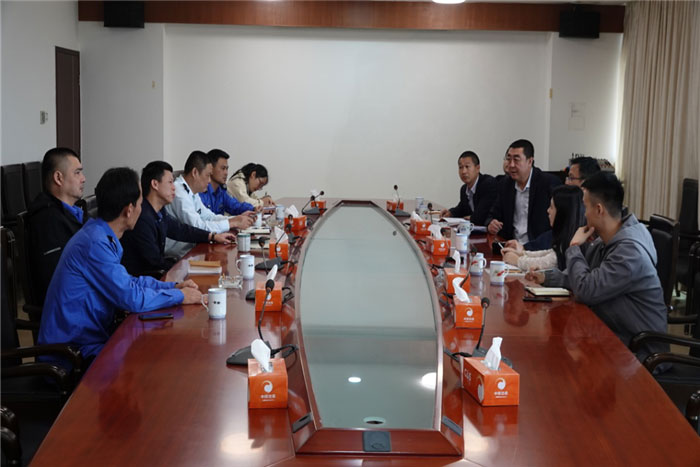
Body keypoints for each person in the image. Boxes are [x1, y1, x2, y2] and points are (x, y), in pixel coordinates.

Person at [38, 167, 202, 365]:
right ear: (129, 210)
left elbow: (128, 282)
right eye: (140, 203)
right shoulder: (95, 243)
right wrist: (180, 296)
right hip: (73, 353)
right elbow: (131, 297)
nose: (142, 209)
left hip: (92, 340)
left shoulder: (102, 234)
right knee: (156, 362)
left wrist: (173, 287)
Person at [525, 172, 668, 363]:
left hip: (639, 354)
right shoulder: (608, 239)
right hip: (613, 338)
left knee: (560, 361)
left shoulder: (629, 253)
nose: (584, 214)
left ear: (599, 209)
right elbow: (586, 278)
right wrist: (547, 277)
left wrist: (574, 247)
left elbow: (586, 290)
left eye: (585, 207)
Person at [121, 161, 236, 276]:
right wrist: (184, 268)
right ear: (155, 184)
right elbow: (154, 261)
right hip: (144, 279)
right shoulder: (142, 217)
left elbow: (180, 230)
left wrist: (212, 236)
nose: (174, 187)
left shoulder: (159, 211)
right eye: (170, 182)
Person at [26, 147, 88, 303]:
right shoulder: (47, 220)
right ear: (58, 178)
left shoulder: (72, 212)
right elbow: (58, 280)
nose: (83, 179)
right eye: (77, 173)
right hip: (67, 306)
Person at [166, 151, 254, 258]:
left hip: (193, 252)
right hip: (177, 258)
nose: (209, 181)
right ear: (195, 172)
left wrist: (236, 219)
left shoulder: (191, 192)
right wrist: (231, 223)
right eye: (207, 175)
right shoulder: (179, 192)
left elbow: (208, 216)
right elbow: (198, 227)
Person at [486, 139, 561, 243]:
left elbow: (559, 226)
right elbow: (492, 214)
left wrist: (527, 248)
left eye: (516, 160)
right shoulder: (505, 184)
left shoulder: (548, 183)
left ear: (530, 161)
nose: (511, 165)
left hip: (538, 247)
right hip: (511, 245)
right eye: (509, 159)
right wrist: (491, 223)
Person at [502, 185, 583, 271]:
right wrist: (522, 254)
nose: (548, 210)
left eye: (551, 207)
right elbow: (549, 253)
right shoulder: (565, 236)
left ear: (562, 213)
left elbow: (550, 261)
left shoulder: (574, 240)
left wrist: (517, 260)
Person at [439, 151, 497, 226]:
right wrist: (450, 213)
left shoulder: (488, 184)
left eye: (467, 167)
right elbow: (462, 208)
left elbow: (482, 215)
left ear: (477, 168)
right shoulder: (464, 189)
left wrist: (471, 218)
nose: (463, 171)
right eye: (460, 167)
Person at [199, 149, 257, 215]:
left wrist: (253, 209)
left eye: (227, 169)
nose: (226, 173)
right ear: (211, 168)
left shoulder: (221, 191)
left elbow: (235, 206)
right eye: (223, 168)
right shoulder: (201, 191)